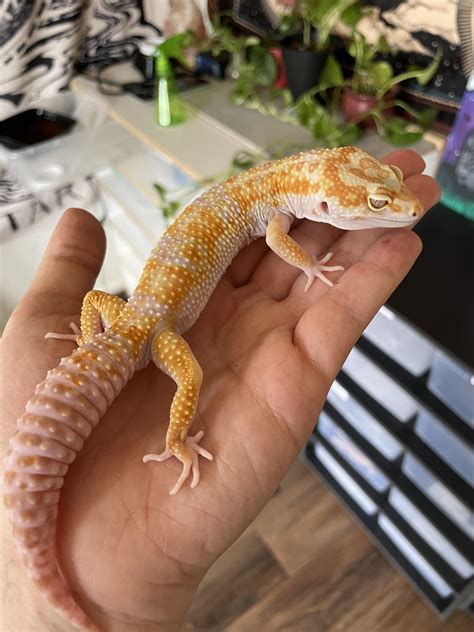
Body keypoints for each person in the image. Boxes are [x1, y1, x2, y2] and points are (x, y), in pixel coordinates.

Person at [1, 150, 440, 631]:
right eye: (378, 203)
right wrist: (309, 268)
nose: (403, 209)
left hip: (127, 318)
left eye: (385, 191)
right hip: (151, 331)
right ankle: (174, 442)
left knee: (100, 304)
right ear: (326, 207)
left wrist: (89, 341)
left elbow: (93, 300)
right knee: (189, 377)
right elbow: (281, 241)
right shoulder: (280, 214)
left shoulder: (269, 188)